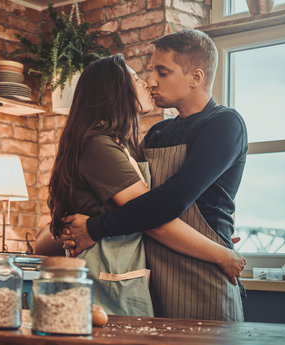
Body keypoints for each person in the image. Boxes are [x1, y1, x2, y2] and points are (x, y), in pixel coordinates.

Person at [60, 30, 248, 321]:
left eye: (162, 71)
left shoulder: (224, 123)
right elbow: (130, 199)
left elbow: (169, 202)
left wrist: (94, 227)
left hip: (204, 268)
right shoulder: (158, 132)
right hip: (155, 272)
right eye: (151, 71)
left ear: (195, 78)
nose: (151, 81)